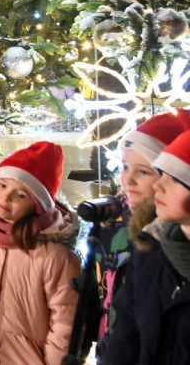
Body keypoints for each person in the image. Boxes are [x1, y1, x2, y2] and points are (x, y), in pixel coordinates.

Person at [0, 141, 81, 365]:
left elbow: (66, 316)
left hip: (23, 357)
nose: (6, 197)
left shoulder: (54, 254)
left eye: (21, 195)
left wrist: (55, 360)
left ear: (38, 205)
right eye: (2, 186)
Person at [92, 110, 186, 357]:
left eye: (143, 172)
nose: (127, 180)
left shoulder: (165, 239)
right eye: (124, 167)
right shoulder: (111, 224)